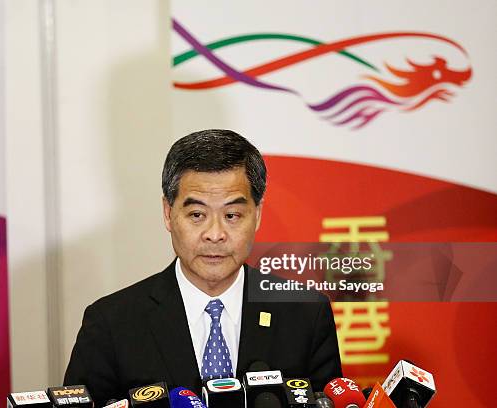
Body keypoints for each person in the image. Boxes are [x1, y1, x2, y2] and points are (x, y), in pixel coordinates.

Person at [64, 129, 342, 405]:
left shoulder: (306, 314)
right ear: (168, 214)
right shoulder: (111, 323)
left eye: (232, 215)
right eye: (197, 215)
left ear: (256, 216)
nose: (215, 234)